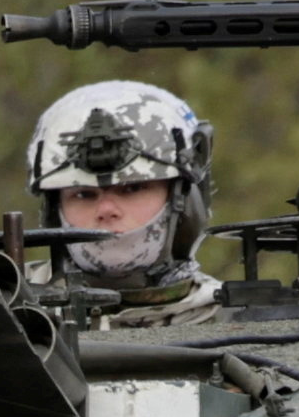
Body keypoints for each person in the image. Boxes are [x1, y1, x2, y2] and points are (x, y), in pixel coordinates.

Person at [23, 77, 221, 327]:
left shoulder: (236, 315)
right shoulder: (7, 310)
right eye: (83, 194)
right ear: (54, 211)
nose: (106, 210)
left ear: (183, 200)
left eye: (132, 188)